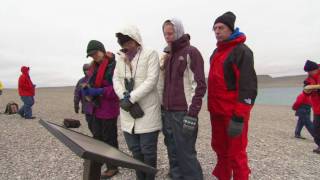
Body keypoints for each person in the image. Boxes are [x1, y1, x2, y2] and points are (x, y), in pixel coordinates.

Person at [208, 12, 257, 180]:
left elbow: (248, 87)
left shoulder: (241, 51)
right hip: (217, 113)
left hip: (233, 114)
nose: (217, 31)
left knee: (237, 153)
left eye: (221, 27)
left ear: (230, 29)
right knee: (220, 150)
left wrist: (239, 116)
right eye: (214, 28)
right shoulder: (215, 53)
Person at [159, 19, 206, 180]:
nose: (167, 36)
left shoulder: (191, 52)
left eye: (170, 33)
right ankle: (176, 176)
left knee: (186, 152)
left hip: (183, 113)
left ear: (178, 31)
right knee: (172, 149)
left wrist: (192, 114)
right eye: (165, 33)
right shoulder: (169, 56)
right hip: (168, 112)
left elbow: (199, 85)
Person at [113, 25, 161, 180]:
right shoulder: (120, 58)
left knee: (148, 151)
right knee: (135, 151)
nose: (125, 44)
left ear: (136, 39)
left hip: (147, 111)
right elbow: (116, 80)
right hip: (128, 114)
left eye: (128, 41)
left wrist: (131, 98)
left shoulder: (150, 54)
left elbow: (152, 80)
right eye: (122, 42)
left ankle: (149, 178)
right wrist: (124, 96)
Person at [83, 40, 120, 178]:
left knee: (109, 138)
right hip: (96, 108)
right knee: (97, 137)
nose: (93, 57)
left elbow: (116, 89)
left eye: (95, 53)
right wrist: (87, 91)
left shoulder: (113, 65)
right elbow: (92, 84)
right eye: (91, 55)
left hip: (109, 109)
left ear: (102, 50)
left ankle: (113, 166)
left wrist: (98, 91)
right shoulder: (95, 67)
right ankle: (98, 162)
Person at [303, 60, 320, 154]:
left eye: (310, 71)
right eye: (308, 72)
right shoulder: (309, 79)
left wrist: (314, 87)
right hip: (317, 108)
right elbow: (305, 92)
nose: (309, 73)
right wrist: (307, 90)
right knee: (316, 128)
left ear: (316, 69)